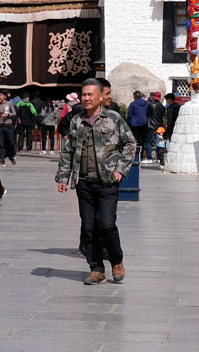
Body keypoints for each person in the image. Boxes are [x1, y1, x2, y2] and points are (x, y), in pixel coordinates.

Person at [56, 78, 135, 285]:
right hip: (84, 182)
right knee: (89, 226)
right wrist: (63, 177)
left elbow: (130, 144)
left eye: (91, 94)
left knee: (107, 224)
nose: (86, 98)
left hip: (108, 181)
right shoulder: (76, 120)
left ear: (101, 96)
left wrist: (120, 169)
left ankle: (116, 261)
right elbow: (68, 150)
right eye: (84, 95)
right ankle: (96, 269)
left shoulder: (114, 119)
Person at [0, 91, 18, 165]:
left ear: (4, 96)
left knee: (11, 142)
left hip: (8, 125)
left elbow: (14, 113)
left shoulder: (9, 104)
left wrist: (8, 114)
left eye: (1, 95)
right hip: (1, 126)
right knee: (1, 143)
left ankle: (11, 156)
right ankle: (2, 159)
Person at [126, 90, 150, 161]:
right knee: (142, 141)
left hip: (135, 124)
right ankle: (141, 156)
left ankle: (135, 155)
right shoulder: (146, 104)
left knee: (134, 140)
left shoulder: (133, 104)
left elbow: (130, 115)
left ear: (134, 96)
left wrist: (128, 123)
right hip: (144, 124)